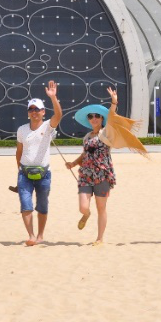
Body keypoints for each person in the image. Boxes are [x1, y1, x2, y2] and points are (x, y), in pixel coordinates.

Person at [65, 87, 118, 245]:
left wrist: (114, 102)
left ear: (102, 118)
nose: (93, 118)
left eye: (96, 116)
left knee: (101, 208)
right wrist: (73, 163)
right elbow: (85, 155)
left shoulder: (106, 133)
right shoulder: (87, 136)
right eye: (90, 116)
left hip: (102, 175)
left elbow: (113, 118)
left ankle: (99, 238)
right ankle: (86, 214)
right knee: (83, 207)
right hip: (86, 175)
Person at [13, 81, 63, 246]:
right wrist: (20, 170)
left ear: (43, 112)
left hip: (44, 174)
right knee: (25, 204)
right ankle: (31, 235)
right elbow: (19, 151)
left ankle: (40, 235)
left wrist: (53, 97)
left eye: (37, 109)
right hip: (25, 174)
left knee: (42, 205)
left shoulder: (48, 126)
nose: (34, 112)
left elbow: (58, 116)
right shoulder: (22, 129)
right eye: (31, 109)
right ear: (28, 112)